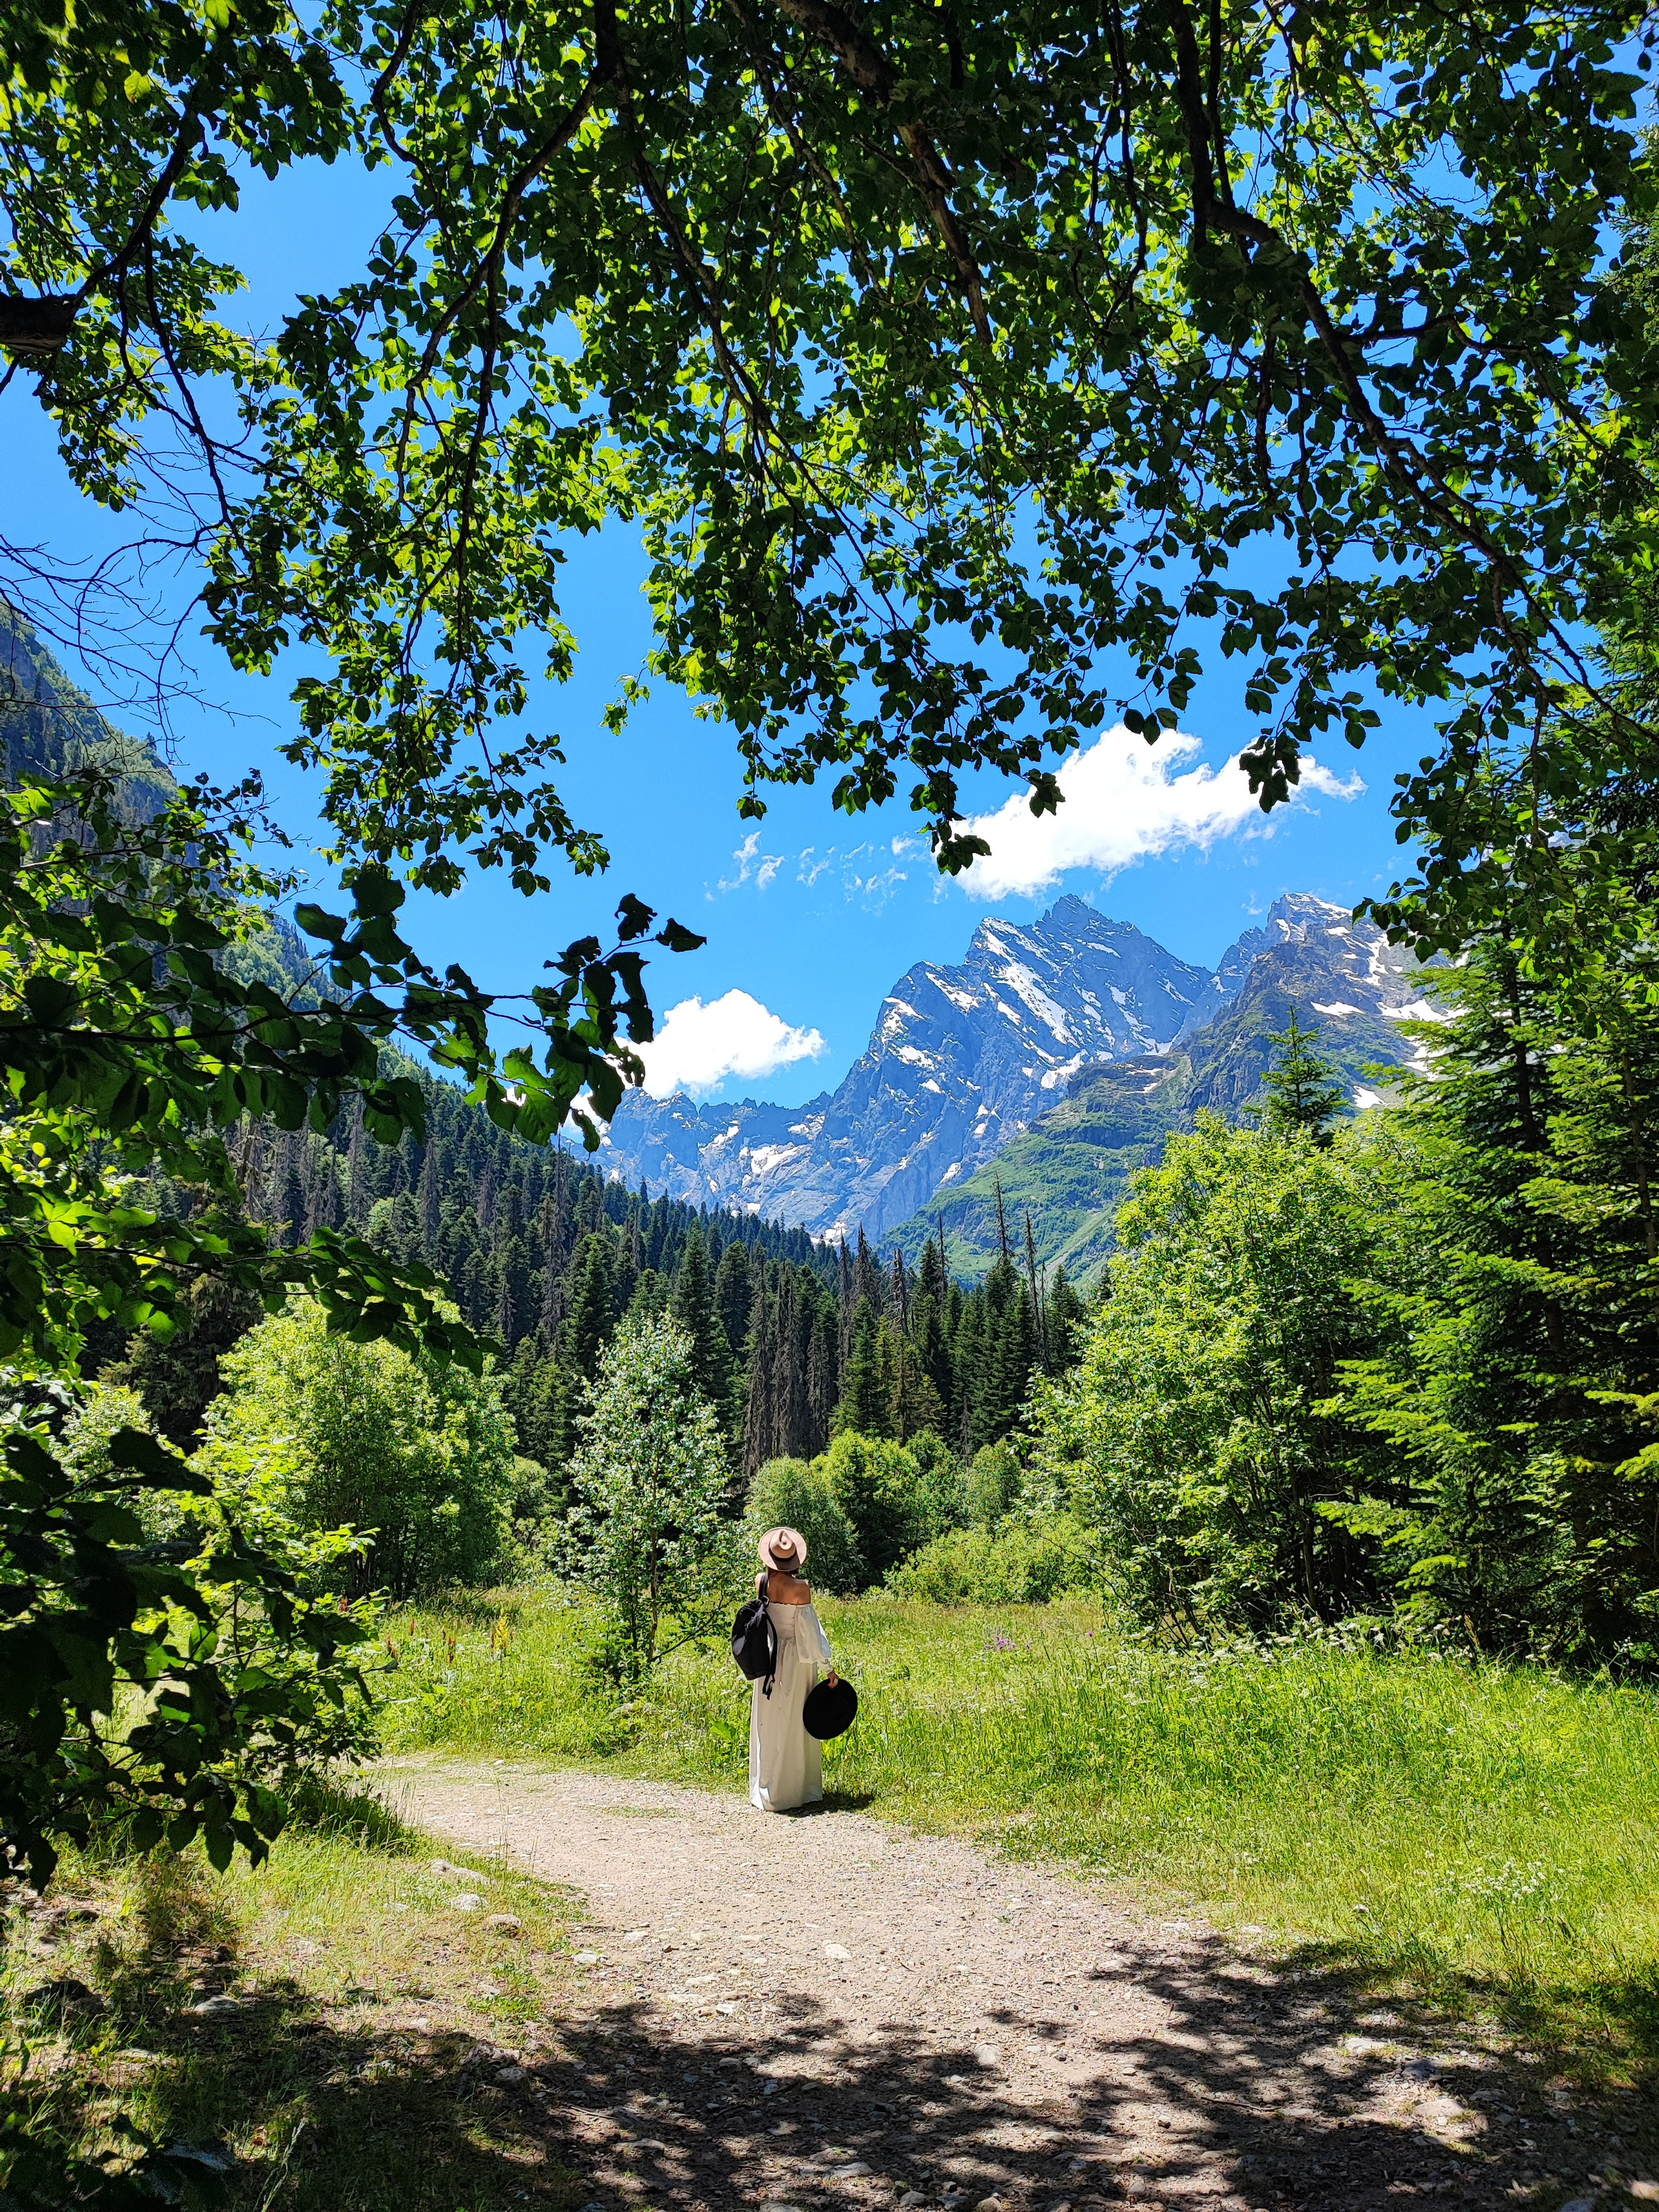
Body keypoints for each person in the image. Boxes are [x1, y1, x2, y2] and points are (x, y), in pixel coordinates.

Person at [749, 1524, 838, 1814]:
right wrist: (827, 1668)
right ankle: (796, 1789)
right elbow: (810, 1633)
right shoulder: (802, 1588)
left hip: (770, 1657)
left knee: (770, 1723)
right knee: (797, 1721)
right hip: (796, 1661)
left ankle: (768, 1788)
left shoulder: (761, 1581)